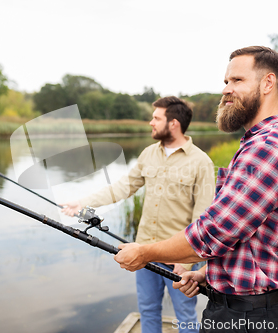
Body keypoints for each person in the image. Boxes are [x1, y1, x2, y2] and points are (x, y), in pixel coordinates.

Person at [114, 46, 278, 333]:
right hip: (244, 309)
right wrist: (208, 273)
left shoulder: (269, 147)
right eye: (226, 82)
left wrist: (144, 253)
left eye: (237, 81)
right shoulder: (258, 143)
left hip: (253, 319)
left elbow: (215, 231)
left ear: (268, 83)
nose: (227, 90)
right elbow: (252, 239)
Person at [61, 96, 216, 333]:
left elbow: (202, 217)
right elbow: (121, 188)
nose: (151, 123)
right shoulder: (148, 154)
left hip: (179, 259)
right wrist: (82, 203)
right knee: (147, 310)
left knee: (185, 315)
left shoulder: (201, 162)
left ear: (173, 123)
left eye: (156, 118)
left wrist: (189, 261)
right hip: (143, 252)